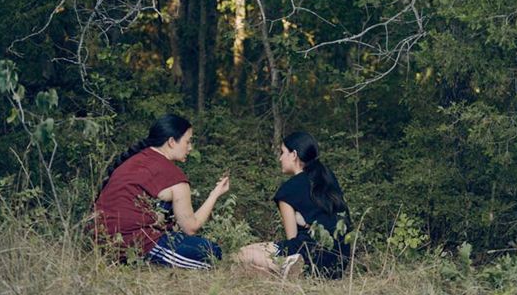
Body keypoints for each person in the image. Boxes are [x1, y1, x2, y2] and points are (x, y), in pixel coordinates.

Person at [93, 114, 230, 269]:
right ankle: (144, 260)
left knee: (172, 224)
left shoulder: (135, 160)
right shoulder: (174, 176)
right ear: (171, 142)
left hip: (100, 241)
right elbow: (190, 227)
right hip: (134, 244)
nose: (190, 148)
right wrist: (215, 193)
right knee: (212, 252)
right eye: (188, 141)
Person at [234, 131, 351, 279]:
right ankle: (279, 273)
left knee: (241, 254)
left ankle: (283, 270)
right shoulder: (327, 177)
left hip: (306, 255)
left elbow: (293, 241)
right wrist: (304, 222)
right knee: (250, 266)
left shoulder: (288, 190)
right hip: (339, 261)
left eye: (283, 153)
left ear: (294, 154)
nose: (280, 158)